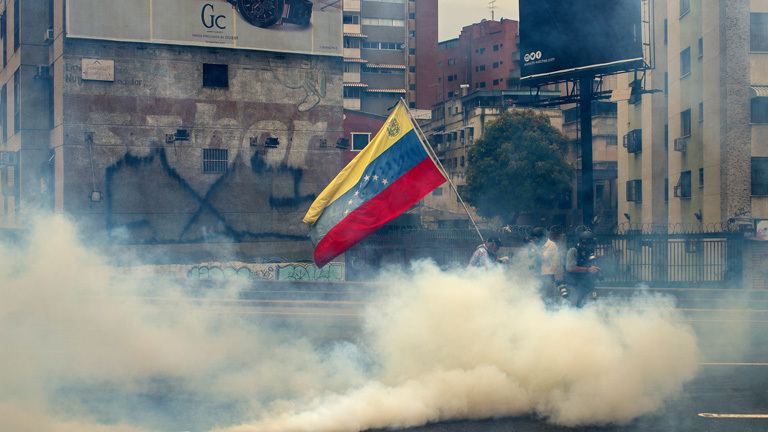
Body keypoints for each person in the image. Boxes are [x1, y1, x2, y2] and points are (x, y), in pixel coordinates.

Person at [564, 230, 602, 308]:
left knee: (582, 307)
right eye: (591, 244)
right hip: (574, 285)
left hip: (584, 286)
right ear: (584, 244)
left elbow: (590, 265)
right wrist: (588, 269)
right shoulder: (573, 251)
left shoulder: (589, 252)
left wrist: (595, 270)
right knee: (572, 307)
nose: (592, 247)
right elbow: (570, 268)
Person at [527, 227, 560, 301]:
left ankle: (549, 308)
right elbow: (530, 256)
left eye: (535, 238)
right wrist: (529, 246)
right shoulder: (539, 245)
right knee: (538, 295)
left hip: (548, 274)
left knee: (547, 296)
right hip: (539, 273)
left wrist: (535, 247)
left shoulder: (551, 245)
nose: (535, 240)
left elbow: (543, 258)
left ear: (541, 237)